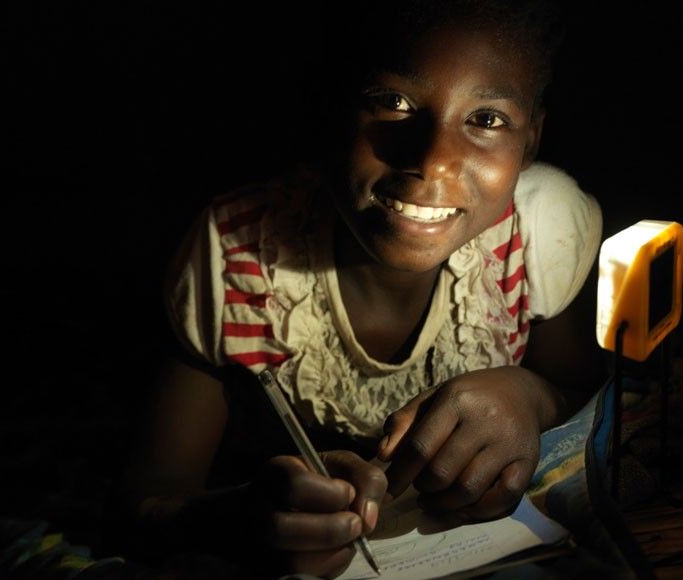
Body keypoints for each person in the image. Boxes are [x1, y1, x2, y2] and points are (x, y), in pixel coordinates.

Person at [111, 1, 606, 577]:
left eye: (487, 119)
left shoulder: (538, 235)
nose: (432, 161)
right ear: (333, 109)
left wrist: (528, 395)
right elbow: (143, 504)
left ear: (532, 139)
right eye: (393, 103)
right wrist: (235, 521)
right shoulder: (241, 257)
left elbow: (589, 392)